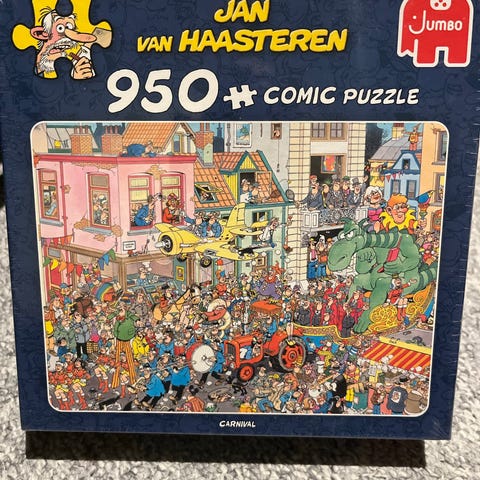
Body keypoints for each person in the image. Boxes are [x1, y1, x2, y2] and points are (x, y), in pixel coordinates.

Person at [29, 8, 97, 79]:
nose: (68, 38)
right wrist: (74, 81)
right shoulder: (24, 61)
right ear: (41, 34)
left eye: (70, 28)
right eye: (60, 28)